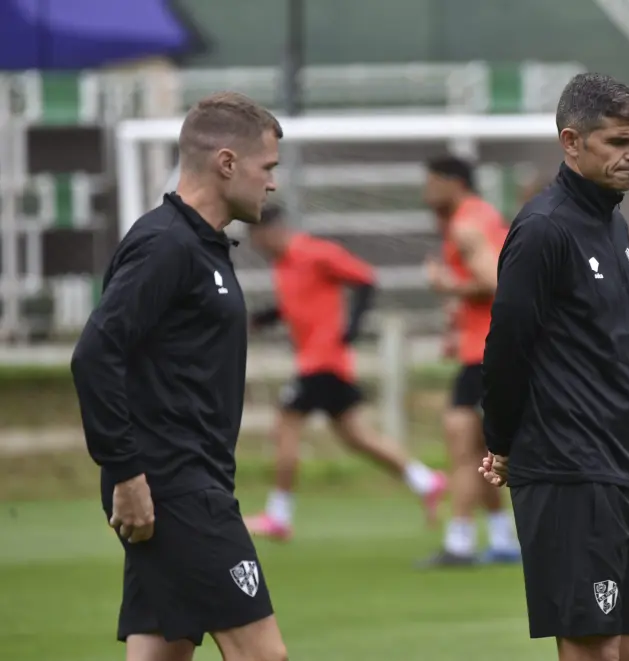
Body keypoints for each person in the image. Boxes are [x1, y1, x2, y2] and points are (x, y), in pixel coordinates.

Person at [70, 92, 288, 661]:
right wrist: (127, 474)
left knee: (161, 652)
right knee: (263, 654)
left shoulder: (199, 245)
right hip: (174, 485)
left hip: (186, 481)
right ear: (226, 163)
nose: (272, 184)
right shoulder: (166, 245)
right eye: (267, 168)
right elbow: (95, 354)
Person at [480, 72, 629, 661]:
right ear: (571, 142)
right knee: (592, 649)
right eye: (616, 142)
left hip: (618, 470)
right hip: (568, 470)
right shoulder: (544, 229)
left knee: (626, 651)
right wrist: (500, 440)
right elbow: (506, 346)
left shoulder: (613, 223)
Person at [243, 204, 447, 541]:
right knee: (356, 436)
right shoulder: (283, 264)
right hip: (322, 362)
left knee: (285, 426)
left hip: (322, 362)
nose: (255, 244)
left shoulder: (314, 252)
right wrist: (262, 319)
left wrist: (352, 326)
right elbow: (297, 302)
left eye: (256, 236)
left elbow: (365, 278)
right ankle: (426, 481)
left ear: (271, 231)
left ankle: (278, 516)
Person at [419, 155, 522, 566]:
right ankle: (501, 538)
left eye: (430, 183)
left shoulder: (465, 225)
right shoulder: (484, 216)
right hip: (485, 348)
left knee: (462, 444)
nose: (425, 194)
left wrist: (447, 285)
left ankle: (460, 540)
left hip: (483, 354)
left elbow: (497, 284)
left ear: (452, 182)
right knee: (484, 448)